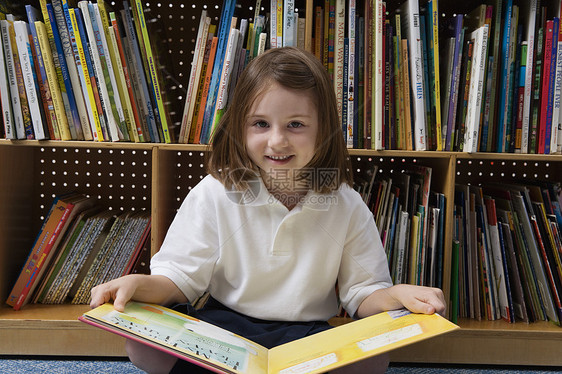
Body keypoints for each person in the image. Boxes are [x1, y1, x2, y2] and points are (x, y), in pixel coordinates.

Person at [90, 46, 445, 374]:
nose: (277, 141)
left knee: (374, 361)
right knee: (143, 350)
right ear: (239, 128)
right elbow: (178, 281)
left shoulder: (345, 203)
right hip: (223, 326)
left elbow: (362, 294)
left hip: (306, 334)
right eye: (260, 124)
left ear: (323, 131)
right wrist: (138, 283)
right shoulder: (214, 193)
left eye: (296, 124)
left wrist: (396, 294)